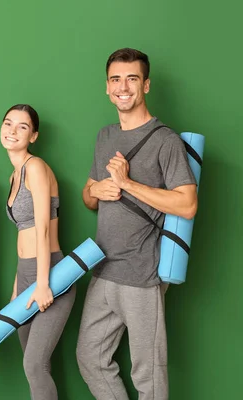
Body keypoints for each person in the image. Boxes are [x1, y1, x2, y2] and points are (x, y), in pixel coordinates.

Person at [76, 48, 198, 400]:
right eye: (116, 79)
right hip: (103, 269)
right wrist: (96, 189)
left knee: (149, 376)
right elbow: (88, 197)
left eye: (132, 79)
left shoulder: (165, 140)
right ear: (107, 87)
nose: (123, 86)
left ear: (146, 85)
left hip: (142, 275)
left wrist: (128, 183)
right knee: (90, 358)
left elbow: (187, 204)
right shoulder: (105, 136)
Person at [2, 104, 75, 400]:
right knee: (31, 365)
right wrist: (17, 288)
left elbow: (43, 228)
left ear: (33, 135)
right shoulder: (13, 176)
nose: (12, 131)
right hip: (26, 274)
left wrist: (43, 283)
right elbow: (22, 238)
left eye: (22, 126)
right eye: (8, 123)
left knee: (34, 364)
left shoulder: (35, 167)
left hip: (51, 274)